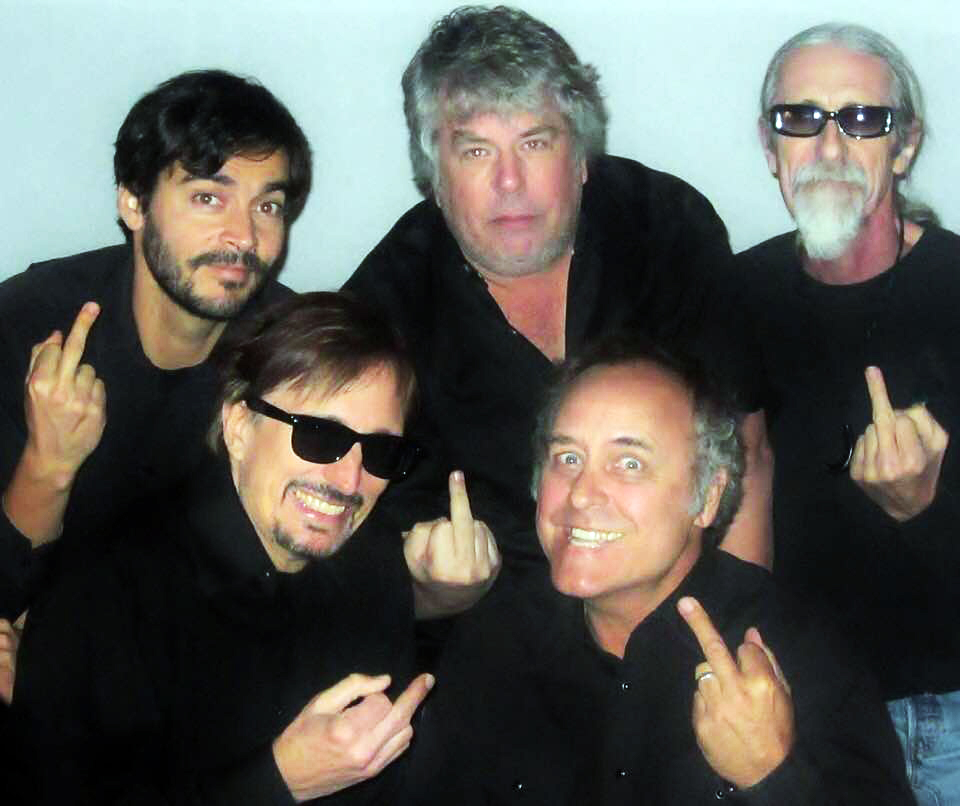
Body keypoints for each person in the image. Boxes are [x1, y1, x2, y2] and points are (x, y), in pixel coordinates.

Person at [401, 336, 913, 805]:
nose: (580, 495)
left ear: (707, 497)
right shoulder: (498, 635)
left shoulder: (795, 645)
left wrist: (771, 777)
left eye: (629, 464)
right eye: (567, 458)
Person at [343, 6, 761, 577]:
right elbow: (363, 544)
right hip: (491, 608)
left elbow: (745, 450)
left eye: (535, 143)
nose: (509, 182)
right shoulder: (382, 313)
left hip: (675, 590)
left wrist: (740, 614)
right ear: (434, 177)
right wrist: (437, 594)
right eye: (476, 151)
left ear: (582, 158)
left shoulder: (666, 228)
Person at [13, 292, 435, 805]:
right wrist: (280, 780)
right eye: (319, 436)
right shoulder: (106, 595)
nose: (349, 480)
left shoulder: (373, 565)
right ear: (238, 427)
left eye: (381, 451)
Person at [713, 23, 959, 804]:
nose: (828, 145)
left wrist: (923, 509)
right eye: (801, 118)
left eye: (861, 119)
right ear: (769, 144)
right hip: (802, 709)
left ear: (905, 145)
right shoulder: (734, 294)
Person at [0, 69, 312, 621]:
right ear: (133, 203)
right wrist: (48, 465)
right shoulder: (29, 322)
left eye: (268, 206)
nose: (244, 236)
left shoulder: (294, 355)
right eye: (209, 198)